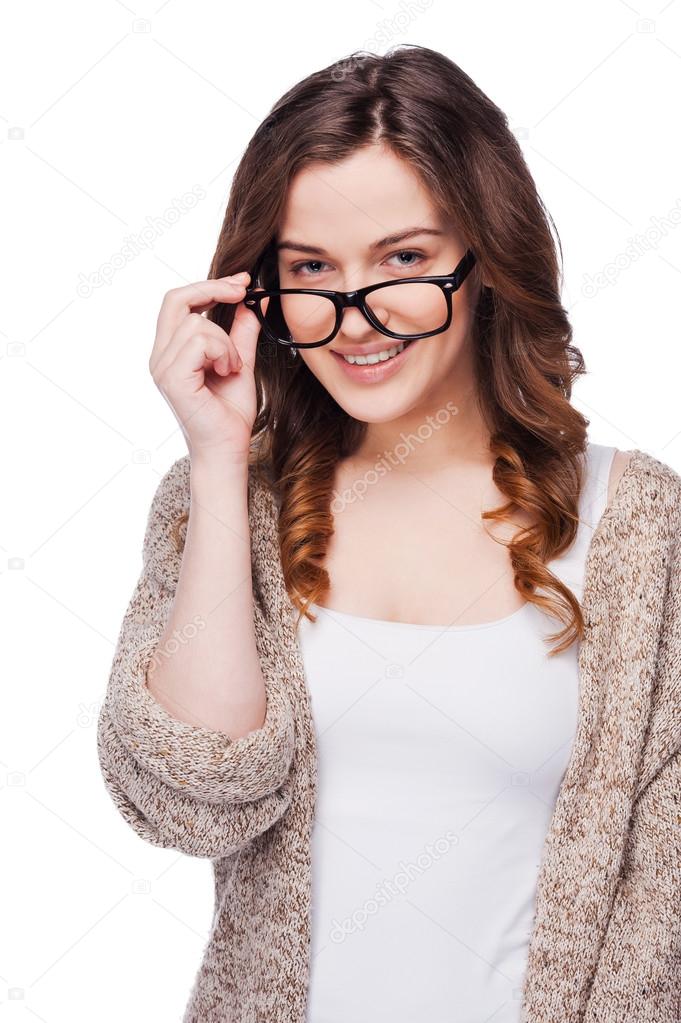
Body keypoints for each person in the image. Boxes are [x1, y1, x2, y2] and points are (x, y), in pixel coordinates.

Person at [96, 44, 681, 1023]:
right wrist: (215, 457)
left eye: (404, 260)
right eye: (312, 269)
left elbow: (665, 901)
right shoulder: (225, 498)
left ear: (485, 258)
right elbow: (193, 799)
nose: (357, 318)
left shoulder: (644, 527)